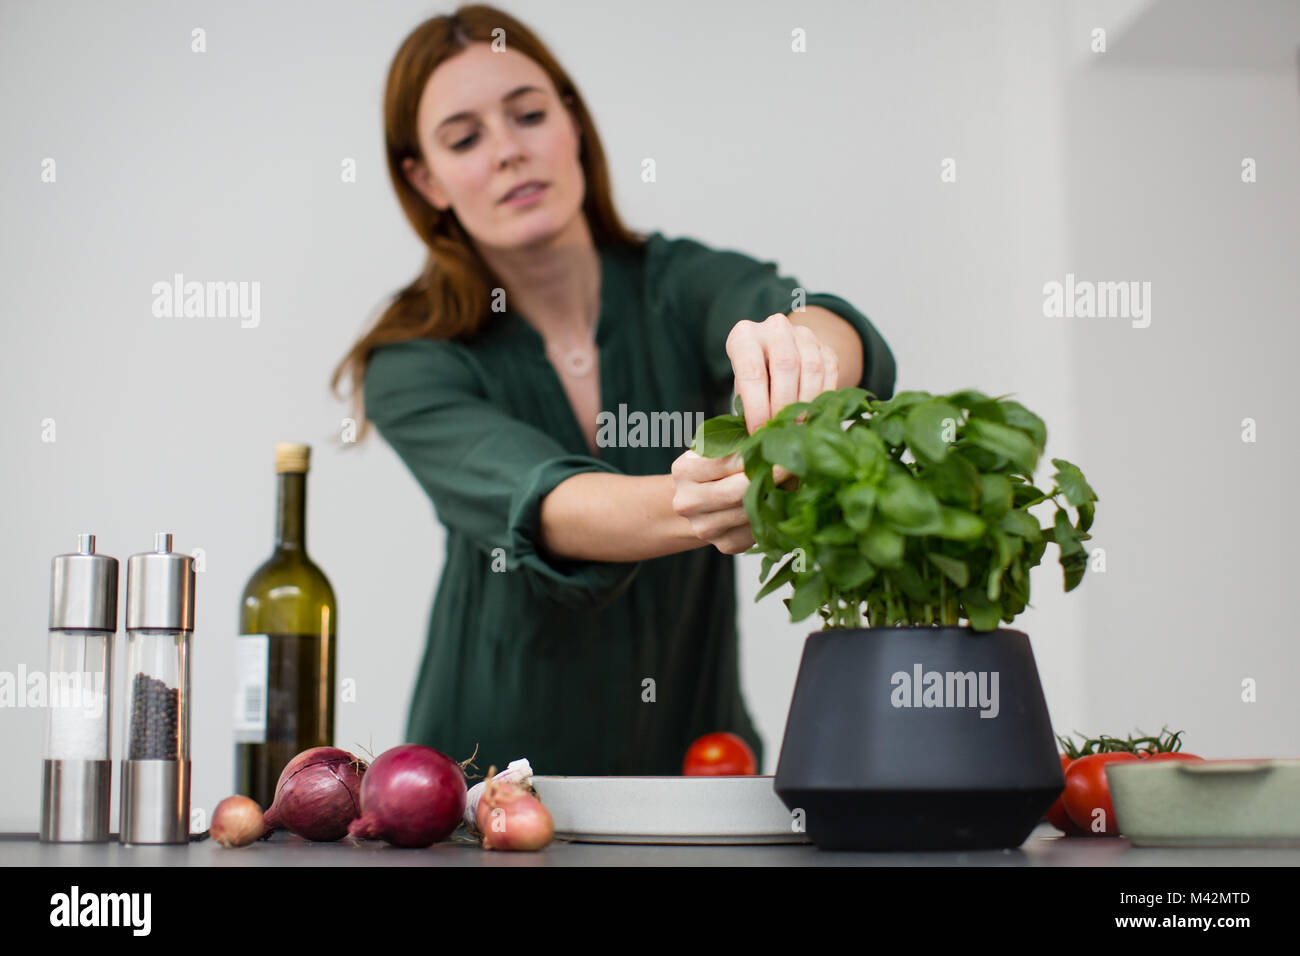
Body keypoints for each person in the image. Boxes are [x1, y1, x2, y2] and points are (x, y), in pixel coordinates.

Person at [331, 5, 896, 776]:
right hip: (482, 785)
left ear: (573, 124)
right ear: (425, 179)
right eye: (464, 138)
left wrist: (804, 358)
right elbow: (551, 505)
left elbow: (812, 317)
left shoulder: (674, 283)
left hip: (702, 765)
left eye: (529, 115)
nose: (508, 153)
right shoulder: (414, 360)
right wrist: (718, 497)